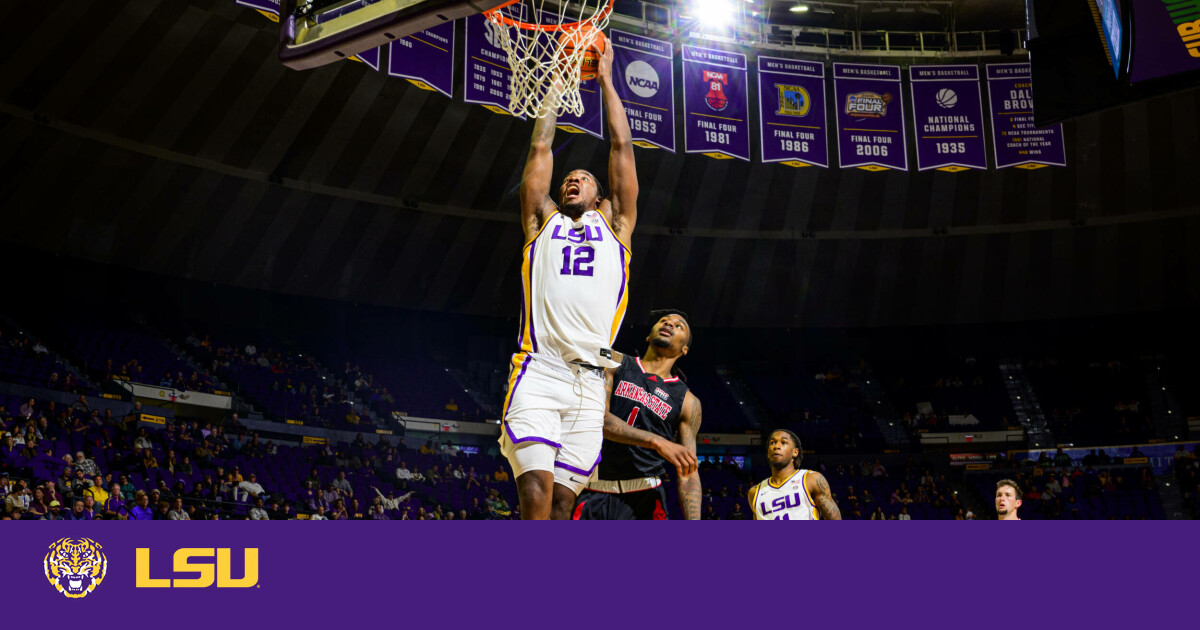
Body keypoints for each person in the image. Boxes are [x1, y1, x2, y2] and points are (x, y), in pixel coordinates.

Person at [499, 42, 639, 521]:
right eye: (568, 179)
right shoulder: (541, 222)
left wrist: (605, 80)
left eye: (583, 177)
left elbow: (622, 147)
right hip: (540, 369)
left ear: (602, 195)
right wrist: (557, 81)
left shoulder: (616, 226)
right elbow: (541, 147)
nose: (572, 181)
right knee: (535, 495)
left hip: (590, 383)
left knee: (562, 507)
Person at [574, 312, 701, 520]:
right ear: (648, 336)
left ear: (684, 349)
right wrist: (657, 441)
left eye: (679, 326)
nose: (669, 323)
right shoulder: (614, 361)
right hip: (593, 491)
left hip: (646, 498)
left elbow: (688, 472)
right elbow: (600, 420)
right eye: (664, 320)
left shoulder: (688, 402)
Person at [748, 430, 841, 520]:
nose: (776, 446)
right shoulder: (755, 493)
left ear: (795, 452)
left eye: (783, 442)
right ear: (768, 453)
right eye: (772, 443)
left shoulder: (811, 479)